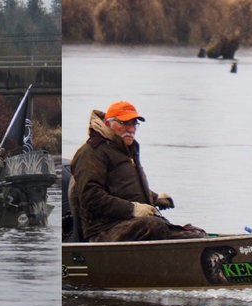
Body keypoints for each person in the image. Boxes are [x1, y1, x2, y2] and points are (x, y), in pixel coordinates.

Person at [69, 101, 205, 241]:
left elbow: (125, 188)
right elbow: (91, 197)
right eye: (125, 123)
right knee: (154, 225)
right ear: (109, 124)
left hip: (130, 225)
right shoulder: (92, 152)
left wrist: (155, 197)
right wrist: (132, 209)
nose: (131, 129)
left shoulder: (126, 150)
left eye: (134, 124)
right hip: (103, 231)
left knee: (196, 232)